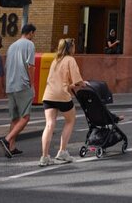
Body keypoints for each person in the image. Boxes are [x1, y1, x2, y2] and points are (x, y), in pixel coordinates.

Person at [39, 38, 84, 166]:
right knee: (70, 120)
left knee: (49, 124)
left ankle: (44, 156)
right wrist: (83, 83)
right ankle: (62, 151)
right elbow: (77, 78)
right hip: (62, 95)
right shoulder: (70, 60)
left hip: (48, 94)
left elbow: (56, 79)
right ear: (71, 48)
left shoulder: (55, 60)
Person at [0, 24, 36, 158]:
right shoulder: (29, 45)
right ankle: (7, 139)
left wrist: (5, 85)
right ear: (31, 33)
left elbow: (6, 66)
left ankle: (11, 147)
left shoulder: (12, 46)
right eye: (33, 34)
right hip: (22, 84)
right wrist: (32, 84)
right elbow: (30, 66)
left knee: (14, 118)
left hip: (11, 85)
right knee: (25, 117)